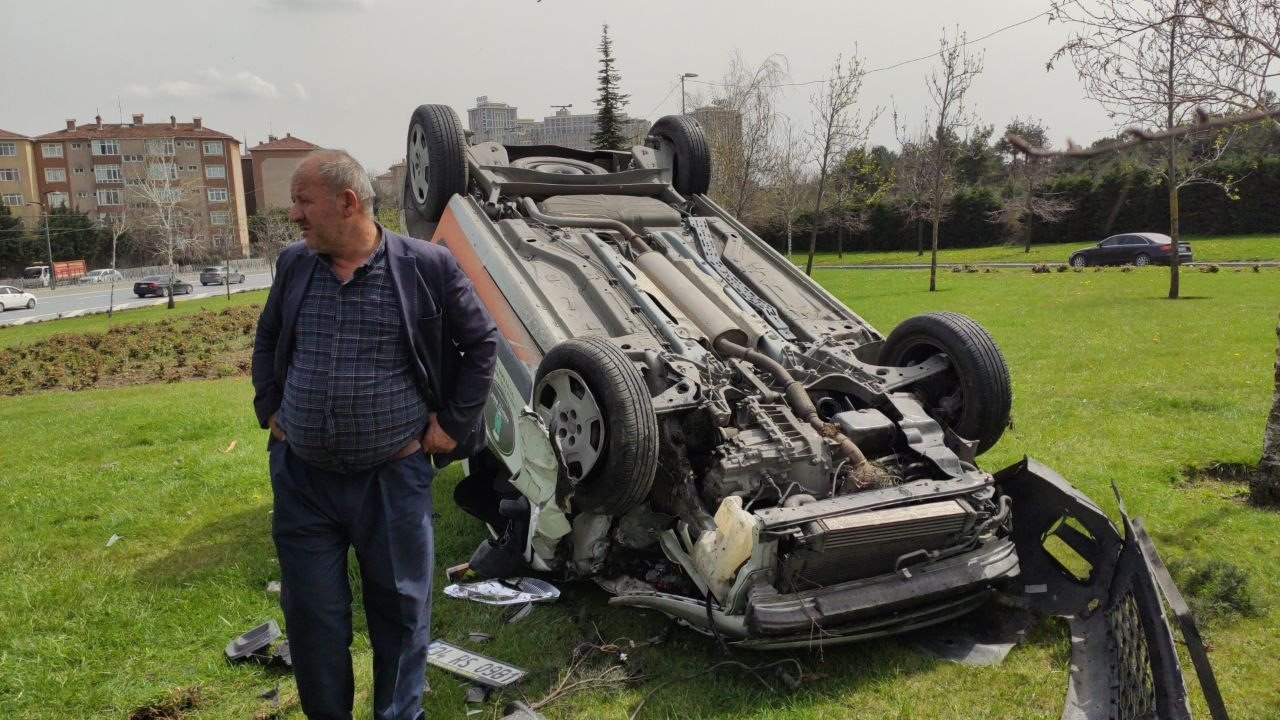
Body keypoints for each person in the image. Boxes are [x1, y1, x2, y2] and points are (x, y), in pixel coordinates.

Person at [251, 149, 497, 720]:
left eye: (302, 201)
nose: (294, 214)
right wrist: (271, 409)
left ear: (347, 201)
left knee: (402, 614)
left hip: (391, 478)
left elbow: (481, 343)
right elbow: (267, 339)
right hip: (303, 481)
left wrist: (450, 427)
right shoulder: (294, 265)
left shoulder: (425, 266)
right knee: (313, 617)